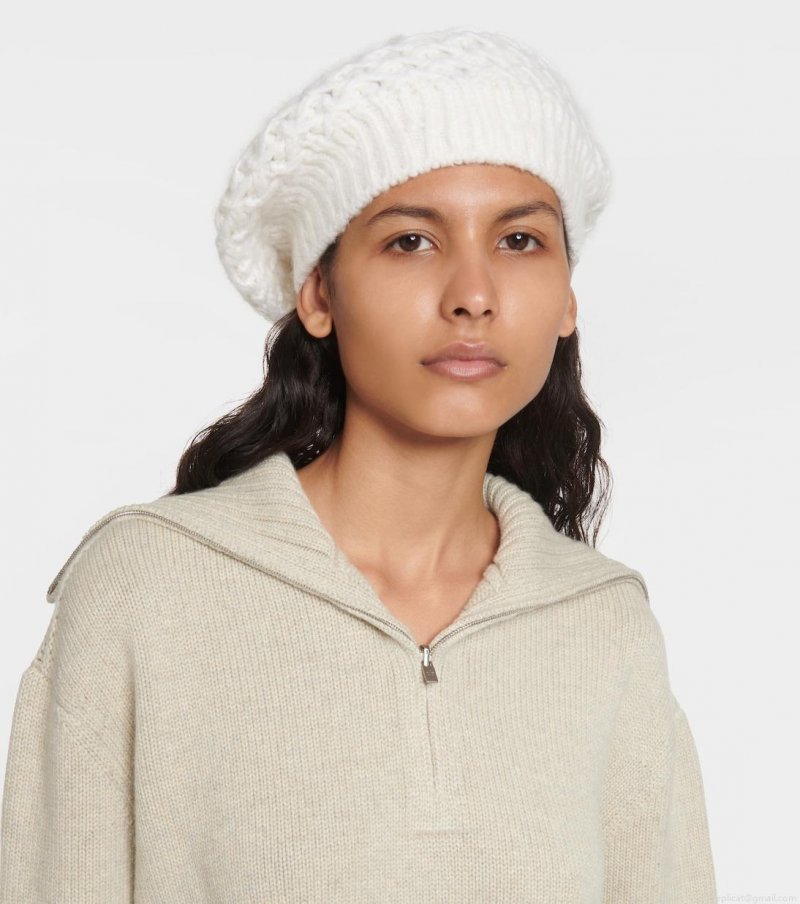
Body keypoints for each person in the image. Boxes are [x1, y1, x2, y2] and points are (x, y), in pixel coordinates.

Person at [0, 27, 717, 903]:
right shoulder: (147, 588)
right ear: (318, 294)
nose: (473, 295)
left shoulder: (603, 623)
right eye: (411, 241)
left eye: (520, 241)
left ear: (567, 299)